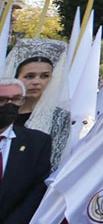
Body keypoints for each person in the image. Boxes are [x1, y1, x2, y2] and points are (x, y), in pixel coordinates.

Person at [0, 78, 52, 224]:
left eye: (16, 99)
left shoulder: (37, 142)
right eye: (2, 100)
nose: (9, 105)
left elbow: (37, 189)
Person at [13, 56, 52, 126]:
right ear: (16, 79)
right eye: (30, 76)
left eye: (44, 76)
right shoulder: (4, 110)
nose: (36, 82)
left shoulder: (58, 117)